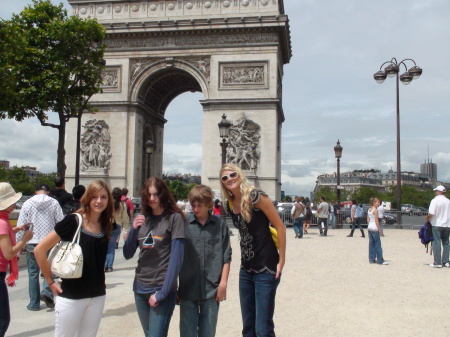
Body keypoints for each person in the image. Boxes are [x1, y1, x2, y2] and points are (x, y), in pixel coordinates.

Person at [34, 180, 114, 337]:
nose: (99, 201)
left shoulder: (106, 224)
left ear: (108, 200)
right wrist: (50, 281)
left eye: (103, 197)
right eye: (95, 197)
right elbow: (39, 250)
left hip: (97, 295)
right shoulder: (73, 220)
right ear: (88, 198)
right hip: (71, 295)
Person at [220, 163, 286, 337]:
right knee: (248, 328)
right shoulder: (229, 204)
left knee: (263, 329)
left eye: (232, 174)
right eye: (224, 178)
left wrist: (282, 260)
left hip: (266, 267)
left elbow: (280, 227)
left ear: (240, 174)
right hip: (246, 269)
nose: (229, 179)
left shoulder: (256, 196)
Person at [123, 177, 186, 337]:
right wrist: (133, 230)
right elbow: (127, 253)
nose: (152, 199)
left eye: (156, 194)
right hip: (140, 288)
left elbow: (176, 260)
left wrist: (163, 293)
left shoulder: (174, 218)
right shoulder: (142, 217)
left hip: (161, 288)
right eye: (148, 195)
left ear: (163, 194)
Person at [178, 185, 232, 337]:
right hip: (188, 287)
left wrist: (223, 284)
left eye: (199, 205)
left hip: (212, 288)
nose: (195, 209)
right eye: (193, 205)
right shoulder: (183, 223)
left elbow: (226, 256)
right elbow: (175, 255)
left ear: (209, 205)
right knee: (187, 334)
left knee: (208, 333)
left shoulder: (220, 225)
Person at [16, 183, 64, 311]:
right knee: (49, 270)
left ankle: (34, 303)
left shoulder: (27, 203)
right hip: (49, 242)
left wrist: (19, 244)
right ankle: (47, 292)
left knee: (33, 273)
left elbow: (22, 225)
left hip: (32, 241)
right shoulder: (54, 203)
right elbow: (60, 223)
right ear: (47, 192)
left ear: (35, 191)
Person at [0, 183, 33, 337]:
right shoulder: (2, 223)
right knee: (2, 320)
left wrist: (16, 229)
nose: (14, 204)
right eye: (12, 201)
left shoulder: (2, 221)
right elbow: (8, 253)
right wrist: (24, 239)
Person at [425, 185, 450, 268]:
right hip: (447, 224)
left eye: (436, 191)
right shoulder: (448, 201)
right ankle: (446, 261)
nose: (435, 192)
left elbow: (432, 212)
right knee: (446, 243)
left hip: (437, 223)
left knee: (437, 242)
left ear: (438, 192)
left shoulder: (435, 201)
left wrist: (427, 217)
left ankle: (437, 262)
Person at [105, 188, 129, 272]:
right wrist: (126, 229)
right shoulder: (123, 205)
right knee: (111, 247)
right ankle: (109, 266)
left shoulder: (108, 204)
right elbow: (125, 218)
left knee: (104, 246)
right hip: (117, 226)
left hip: (107, 225)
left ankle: (104, 264)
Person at [367, 198, 388, 265]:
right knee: (378, 245)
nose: (379, 204)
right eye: (378, 202)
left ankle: (371, 259)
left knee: (371, 244)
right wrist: (379, 230)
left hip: (370, 227)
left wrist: (369, 224)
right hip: (374, 228)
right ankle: (380, 260)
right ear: (374, 203)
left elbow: (368, 219)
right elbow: (376, 221)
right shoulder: (375, 210)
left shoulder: (369, 209)